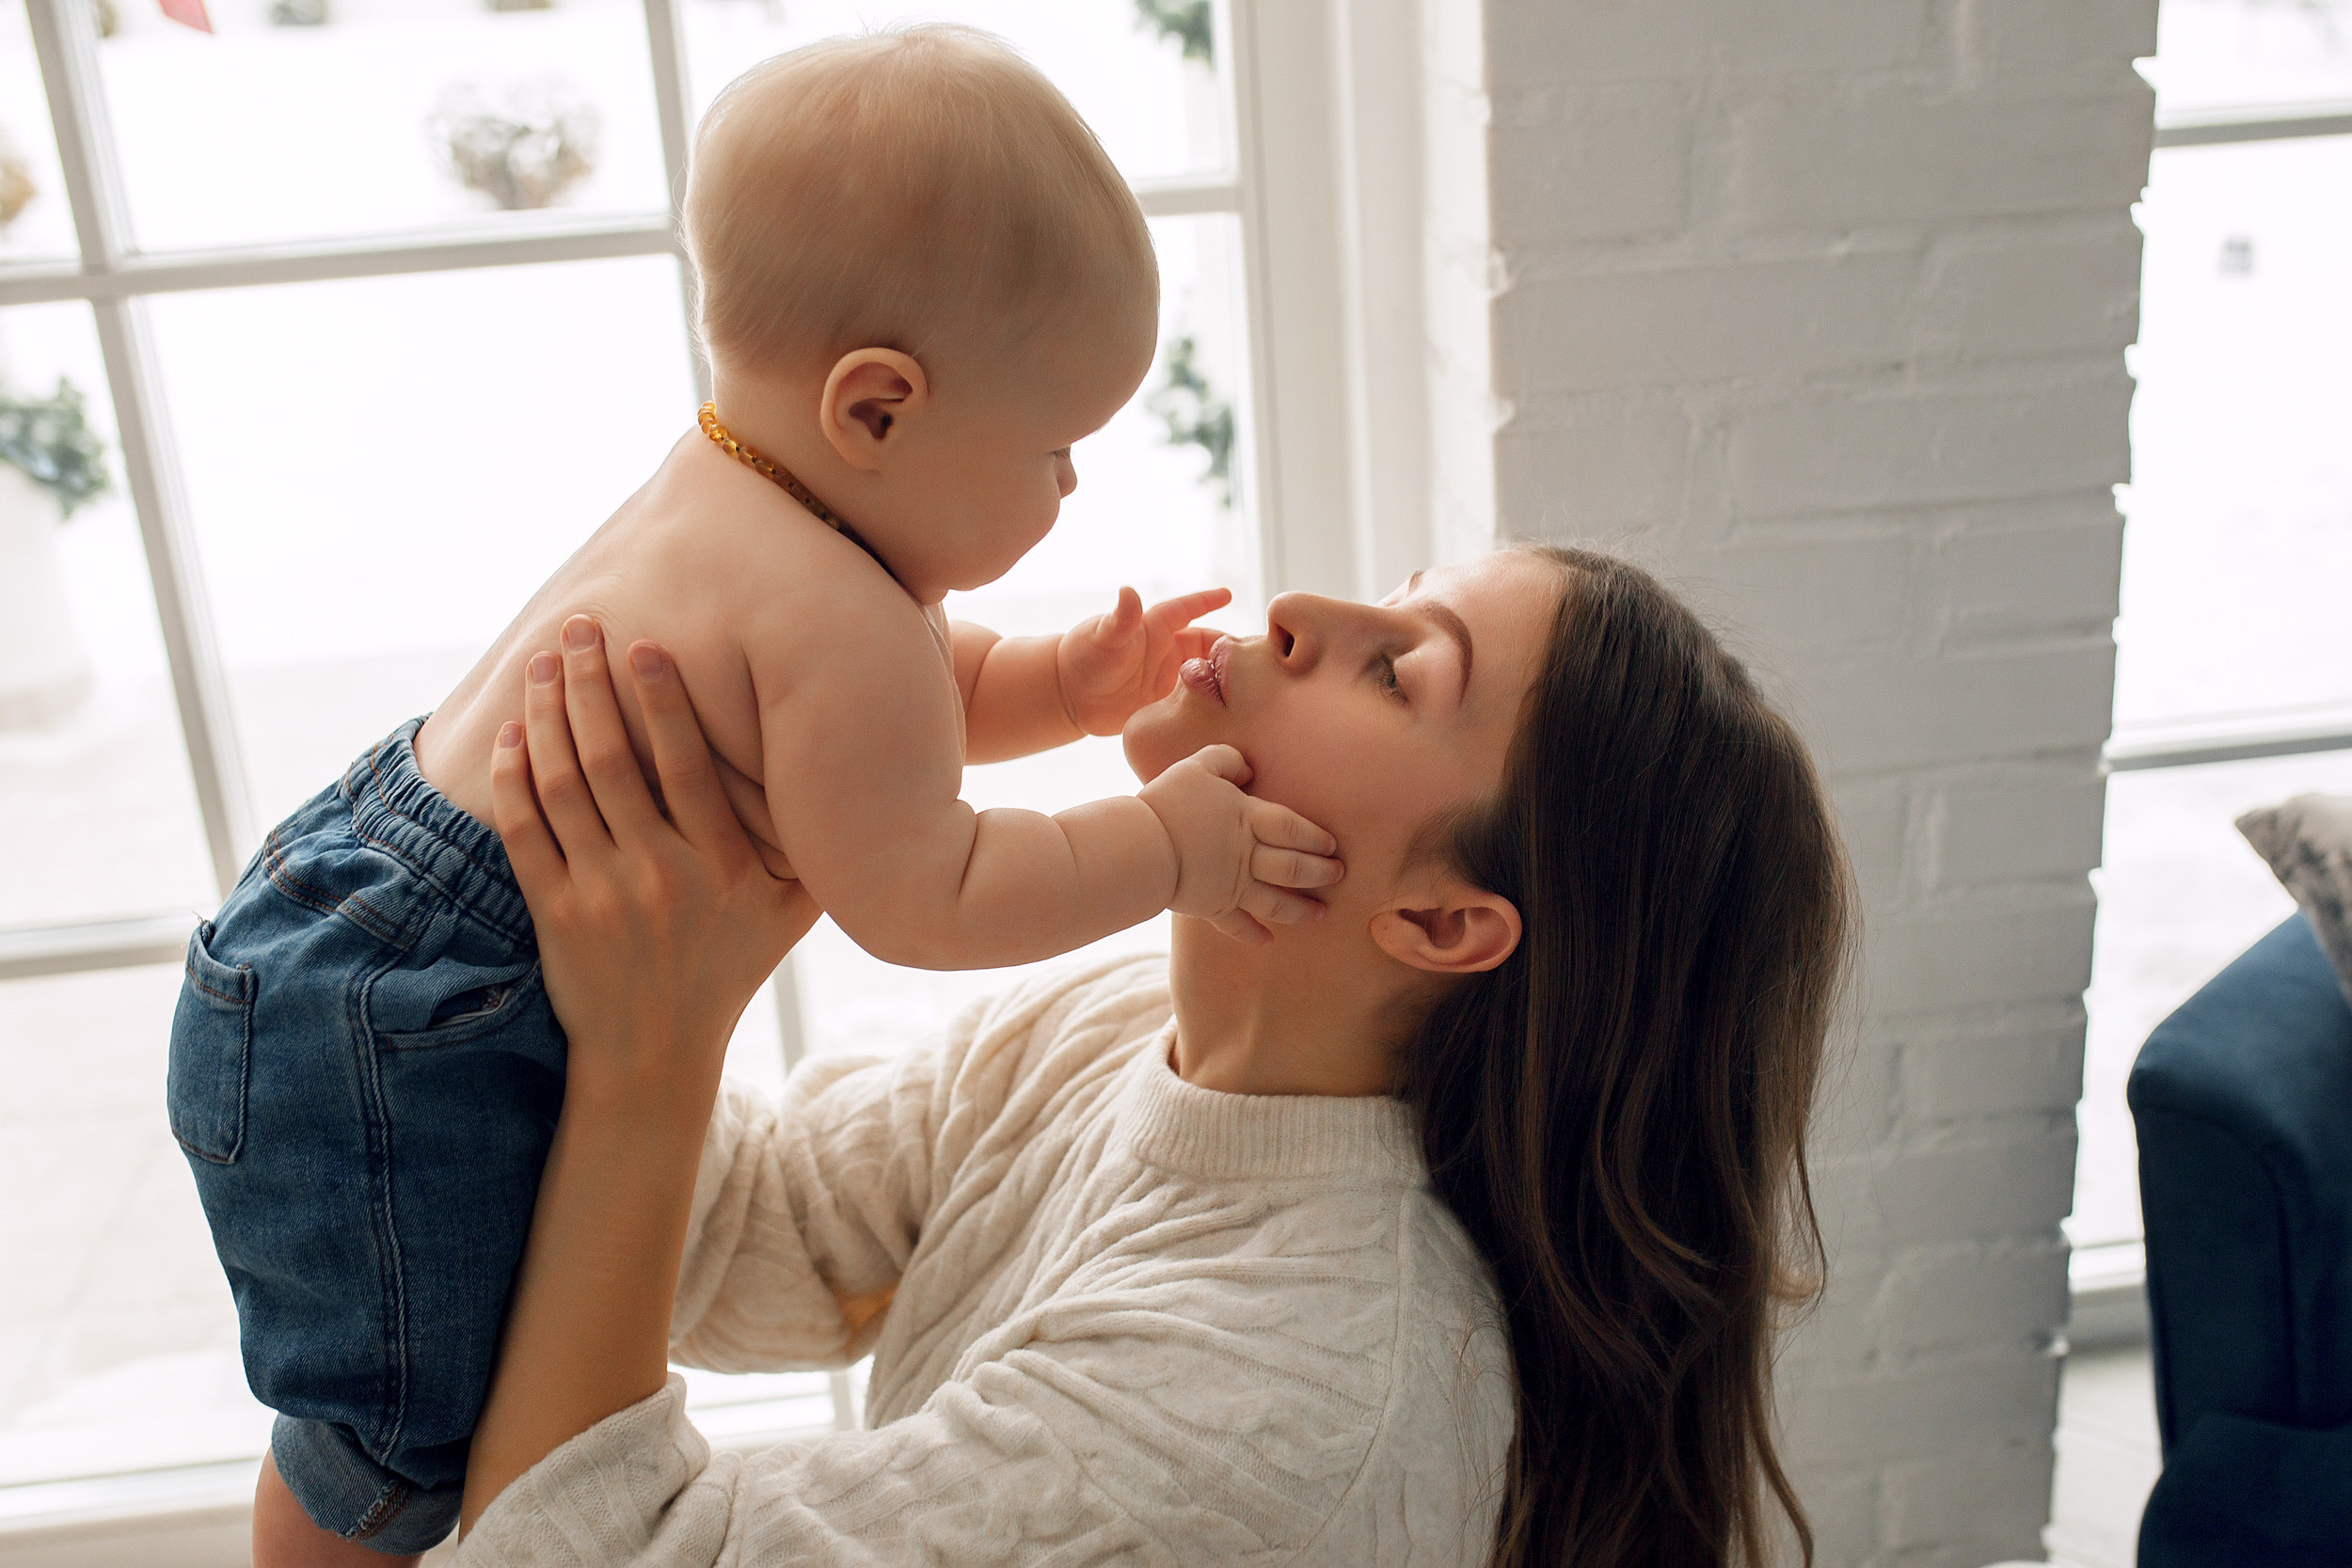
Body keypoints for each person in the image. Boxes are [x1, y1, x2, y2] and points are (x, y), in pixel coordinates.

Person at [174, 27, 1343, 1562]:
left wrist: (1058, 684)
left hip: (351, 913)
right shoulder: (835, 617)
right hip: (415, 1028)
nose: (1069, 490)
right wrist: (1165, 846)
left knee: (391, 1395)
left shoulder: (750, 497)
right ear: (877, 409)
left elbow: (902, 710)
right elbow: (930, 893)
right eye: (1056, 447)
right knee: (401, 1445)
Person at [446, 544, 1857, 1568]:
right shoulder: (1121, 1022)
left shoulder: (1280, 1406)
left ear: (1439, 920)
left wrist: (654, 1054)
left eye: (1401, 670)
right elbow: (769, 1240)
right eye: (1399, 586)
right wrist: (580, 888)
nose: (1302, 609)